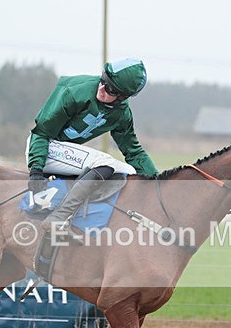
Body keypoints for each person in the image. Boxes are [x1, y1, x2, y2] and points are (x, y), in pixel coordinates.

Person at [25, 58, 158, 238]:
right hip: (42, 147)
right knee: (105, 162)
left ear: (124, 97)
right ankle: (60, 217)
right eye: (103, 80)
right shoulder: (74, 91)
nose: (101, 88)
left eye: (110, 89)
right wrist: (35, 171)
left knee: (129, 171)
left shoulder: (122, 113)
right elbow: (41, 133)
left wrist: (159, 182)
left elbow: (133, 152)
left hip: (66, 156)